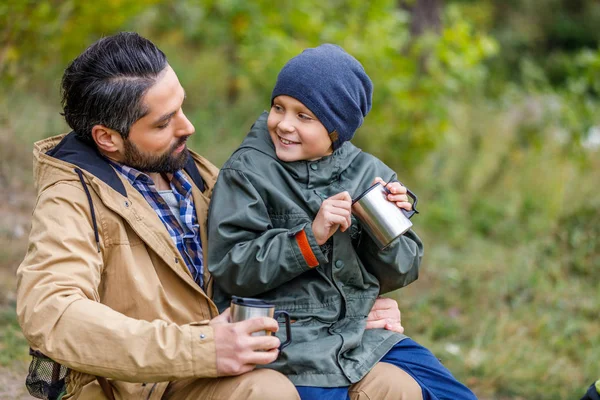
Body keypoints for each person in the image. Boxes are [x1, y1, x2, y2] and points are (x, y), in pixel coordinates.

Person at [15, 33, 418, 400]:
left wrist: (348, 308)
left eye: (181, 108)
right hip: (138, 387)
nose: (188, 126)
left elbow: (264, 259)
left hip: (237, 362)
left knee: (393, 386)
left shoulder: (197, 175)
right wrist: (204, 348)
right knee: (266, 393)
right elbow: (53, 315)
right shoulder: (69, 200)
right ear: (108, 138)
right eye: (163, 121)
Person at [207, 44, 478, 399]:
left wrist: (386, 225)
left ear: (337, 130)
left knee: (452, 393)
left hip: (358, 331)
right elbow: (231, 266)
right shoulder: (248, 171)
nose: (284, 124)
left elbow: (402, 271)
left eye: (304, 116)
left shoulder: (368, 172)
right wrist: (309, 238)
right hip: (291, 336)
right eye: (278, 107)